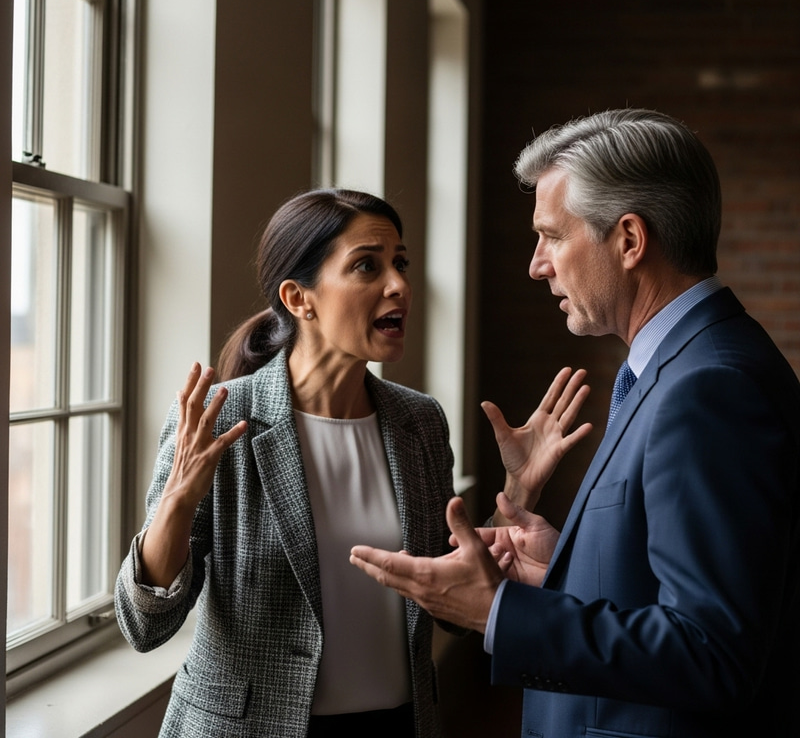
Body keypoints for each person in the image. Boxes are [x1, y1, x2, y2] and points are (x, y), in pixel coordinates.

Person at [350, 108, 800, 737]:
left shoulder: (709, 388)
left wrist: (497, 612)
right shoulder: (683, 366)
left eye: (552, 236)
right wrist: (568, 566)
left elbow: (713, 653)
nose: (537, 265)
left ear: (630, 240)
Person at [116, 188, 461, 738]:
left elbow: (452, 600)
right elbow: (144, 625)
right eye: (367, 266)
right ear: (300, 298)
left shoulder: (420, 421)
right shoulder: (223, 418)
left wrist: (519, 490)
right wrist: (177, 500)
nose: (398, 284)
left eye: (400, 263)